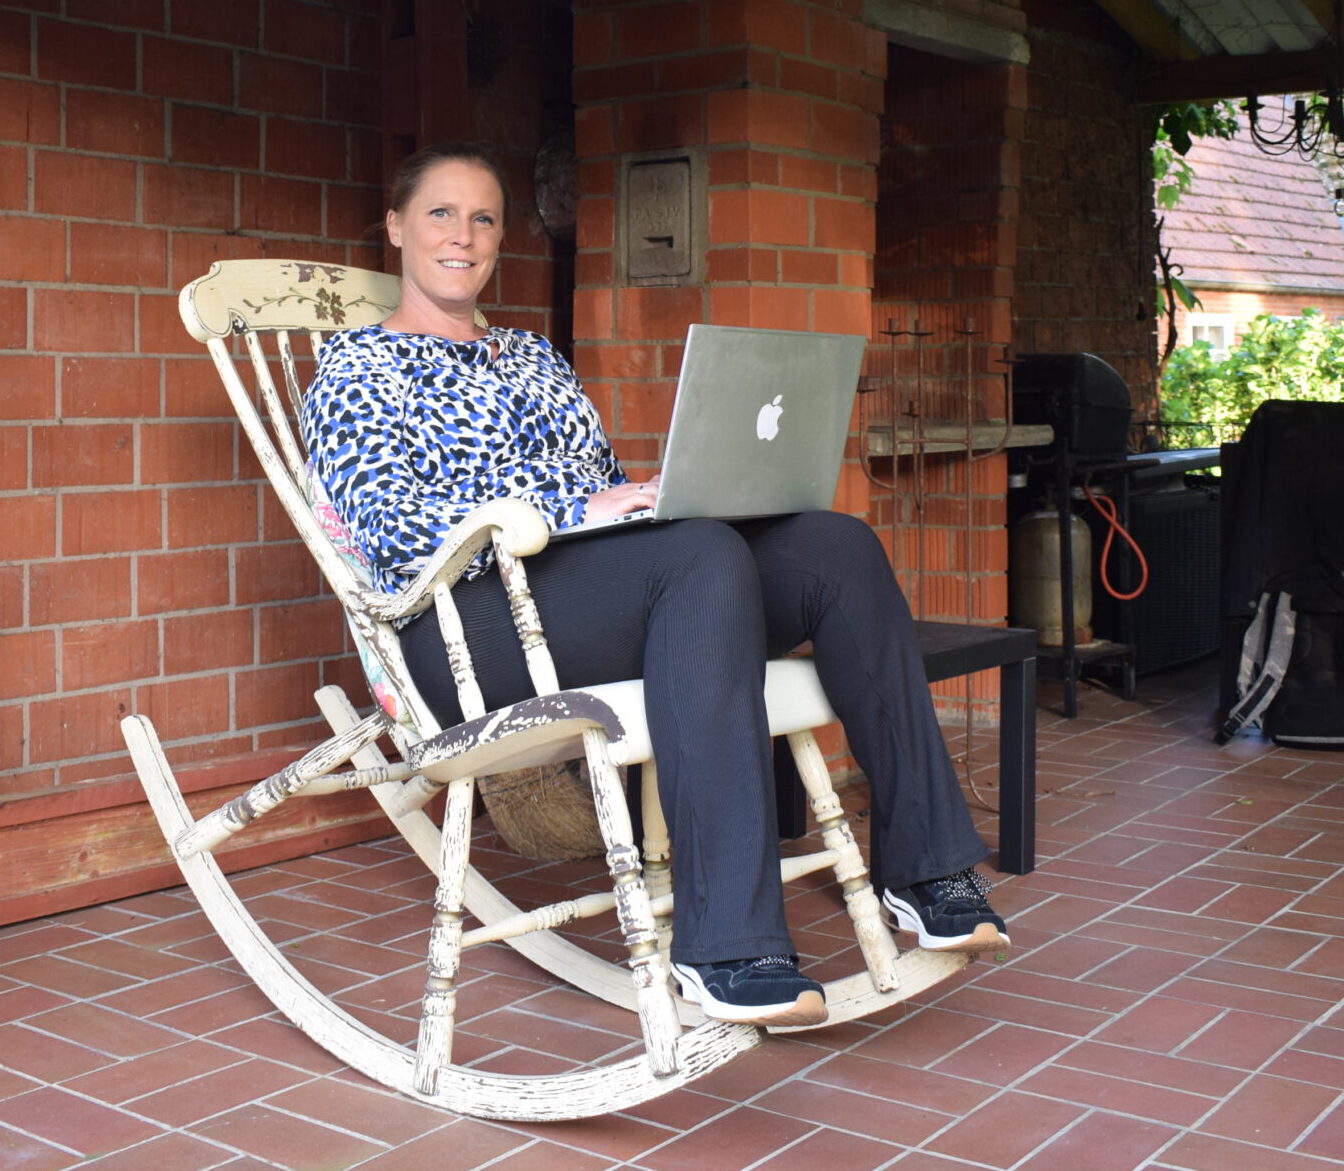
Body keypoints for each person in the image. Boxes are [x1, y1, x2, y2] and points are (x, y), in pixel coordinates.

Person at [301, 141, 1009, 1030]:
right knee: (701, 557)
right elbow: (393, 531)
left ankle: (928, 867)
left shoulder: (534, 357)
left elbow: (601, 491)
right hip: (463, 628)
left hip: (575, 601)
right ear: (398, 226)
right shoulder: (358, 366)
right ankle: (726, 945)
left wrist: (668, 497)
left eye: (483, 217)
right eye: (441, 212)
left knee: (834, 545)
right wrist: (575, 502)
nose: (463, 234)